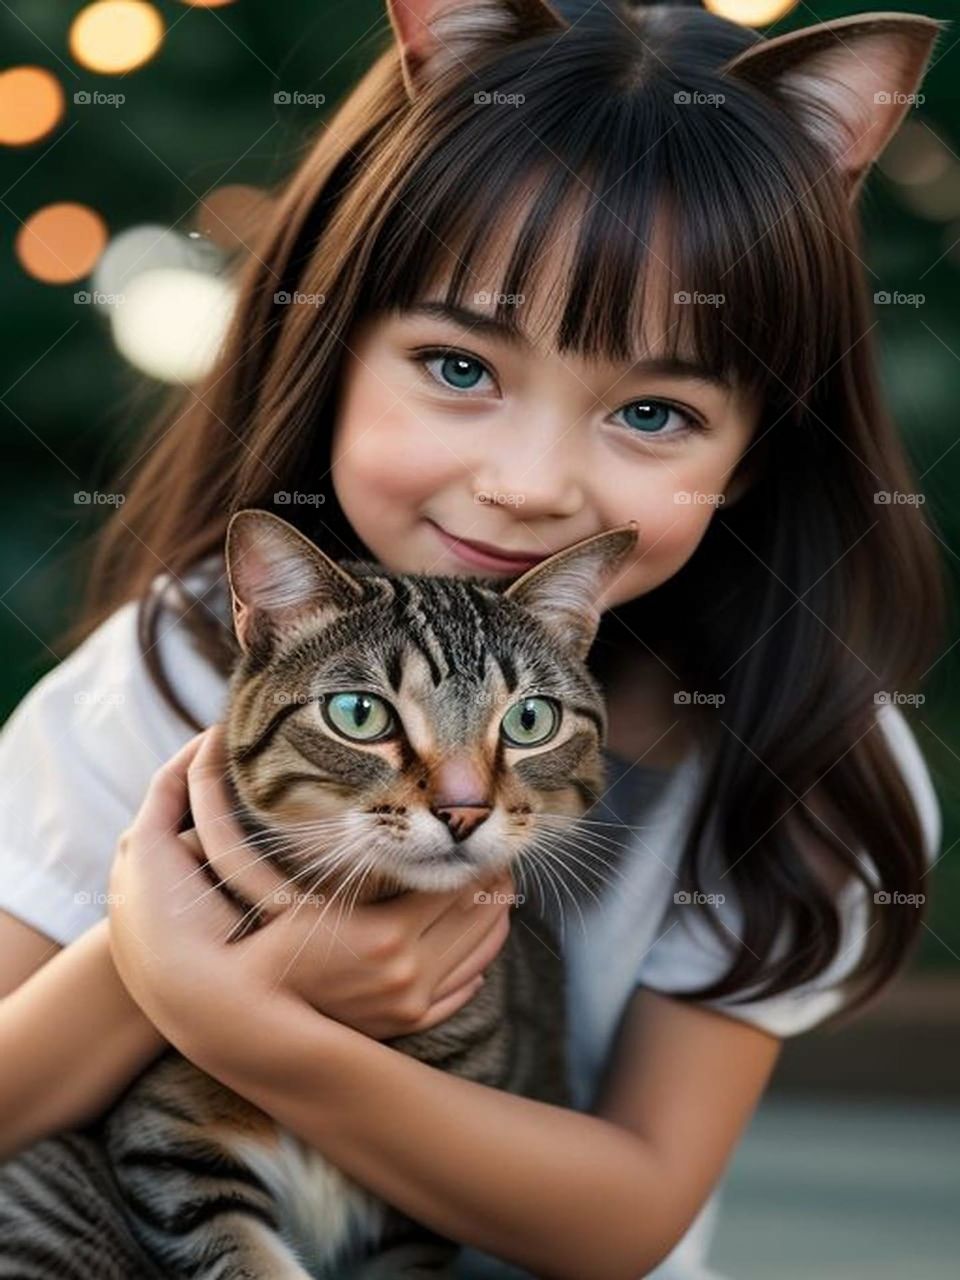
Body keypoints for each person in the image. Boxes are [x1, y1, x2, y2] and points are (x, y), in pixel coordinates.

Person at [0, 2, 947, 1277]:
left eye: (654, 411)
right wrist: (153, 964)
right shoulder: (169, 664)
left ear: (756, 450)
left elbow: (625, 1216)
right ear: (332, 343)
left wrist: (256, 1028)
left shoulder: (808, 762)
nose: (528, 484)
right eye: (459, 367)